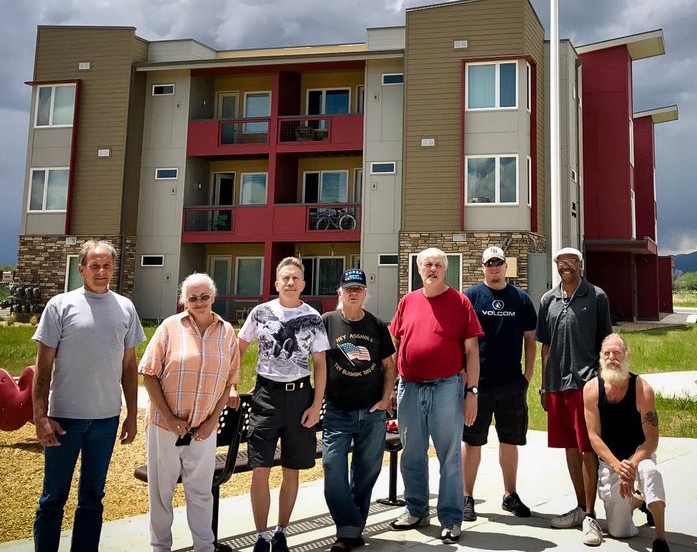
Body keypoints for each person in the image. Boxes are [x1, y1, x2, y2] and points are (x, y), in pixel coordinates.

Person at [31, 239, 146, 551]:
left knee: (93, 498)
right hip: (63, 420)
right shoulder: (60, 306)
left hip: (106, 420)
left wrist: (131, 414)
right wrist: (40, 418)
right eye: (94, 265)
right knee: (53, 498)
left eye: (107, 265)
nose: (101, 271)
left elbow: (129, 366)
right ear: (81, 269)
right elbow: (42, 371)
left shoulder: (125, 307)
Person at [388, 247, 483, 544]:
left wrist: (472, 393)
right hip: (410, 387)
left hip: (446, 387)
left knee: (450, 456)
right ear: (419, 270)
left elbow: (471, 352)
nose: (432, 269)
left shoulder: (460, 302)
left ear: (445, 269)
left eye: (438, 265)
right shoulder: (407, 301)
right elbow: (395, 344)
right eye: (427, 264)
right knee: (412, 453)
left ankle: (452, 519)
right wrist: (390, 387)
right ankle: (416, 510)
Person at [139, 273, 239, 552]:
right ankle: (160, 547)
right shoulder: (169, 327)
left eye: (204, 297)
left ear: (214, 297)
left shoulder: (226, 331)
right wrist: (170, 419)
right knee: (161, 494)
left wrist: (211, 422)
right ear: (183, 301)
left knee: (200, 494)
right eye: (192, 298)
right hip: (165, 427)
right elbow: (148, 375)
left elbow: (228, 381)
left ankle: (204, 547)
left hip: (203, 430)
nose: (198, 302)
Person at [237, 257, 329, 552]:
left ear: (303, 284)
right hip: (266, 397)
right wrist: (231, 385)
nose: (290, 282)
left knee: (292, 470)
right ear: (276, 283)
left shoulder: (313, 317)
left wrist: (317, 405)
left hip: (301, 397)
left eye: (295, 278)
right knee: (260, 469)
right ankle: (261, 536)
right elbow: (238, 348)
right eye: (285, 278)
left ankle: (280, 531)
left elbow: (320, 364)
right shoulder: (260, 313)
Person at [536, 246, 613, 545]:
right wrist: (543, 386)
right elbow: (544, 346)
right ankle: (581, 508)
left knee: (587, 449)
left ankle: (592, 515)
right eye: (560, 262)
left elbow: (606, 344)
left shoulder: (596, 297)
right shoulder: (548, 300)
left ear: (581, 264)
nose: (565, 266)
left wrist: (602, 383)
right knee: (569, 447)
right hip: (556, 384)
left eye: (571, 261)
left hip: (586, 385)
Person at [321, 269, 397, 552]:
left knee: (367, 471)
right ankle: (350, 526)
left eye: (359, 288)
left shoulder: (376, 325)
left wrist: (385, 398)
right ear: (339, 292)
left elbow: (391, 365)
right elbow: (315, 363)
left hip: (371, 411)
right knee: (332, 466)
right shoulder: (326, 322)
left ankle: (349, 532)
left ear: (366, 293)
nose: (353, 292)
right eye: (348, 288)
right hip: (337, 411)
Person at [461, 246, 537, 521]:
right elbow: (462, 342)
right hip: (478, 385)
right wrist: (465, 379)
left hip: (511, 384)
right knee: (472, 442)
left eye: (498, 263)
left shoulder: (521, 299)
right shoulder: (470, 297)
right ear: (482, 267)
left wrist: (527, 376)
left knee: (510, 440)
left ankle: (510, 495)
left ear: (506, 266)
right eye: (489, 263)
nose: (494, 267)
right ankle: (466, 497)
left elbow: (530, 340)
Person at [583, 333, 670, 552]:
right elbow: (593, 436)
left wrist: (631, 466)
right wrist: (617, 466)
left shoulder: (643, 389)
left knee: (651, 473)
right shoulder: (592, 389)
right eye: (607, 353)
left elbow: (652, 439)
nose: (612, 357)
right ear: (601, 357)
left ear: (627, 356)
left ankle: (660, 538)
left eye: (617, 353)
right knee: (620, 532)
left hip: (638, 457)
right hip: (611, 463)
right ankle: (639, 500)